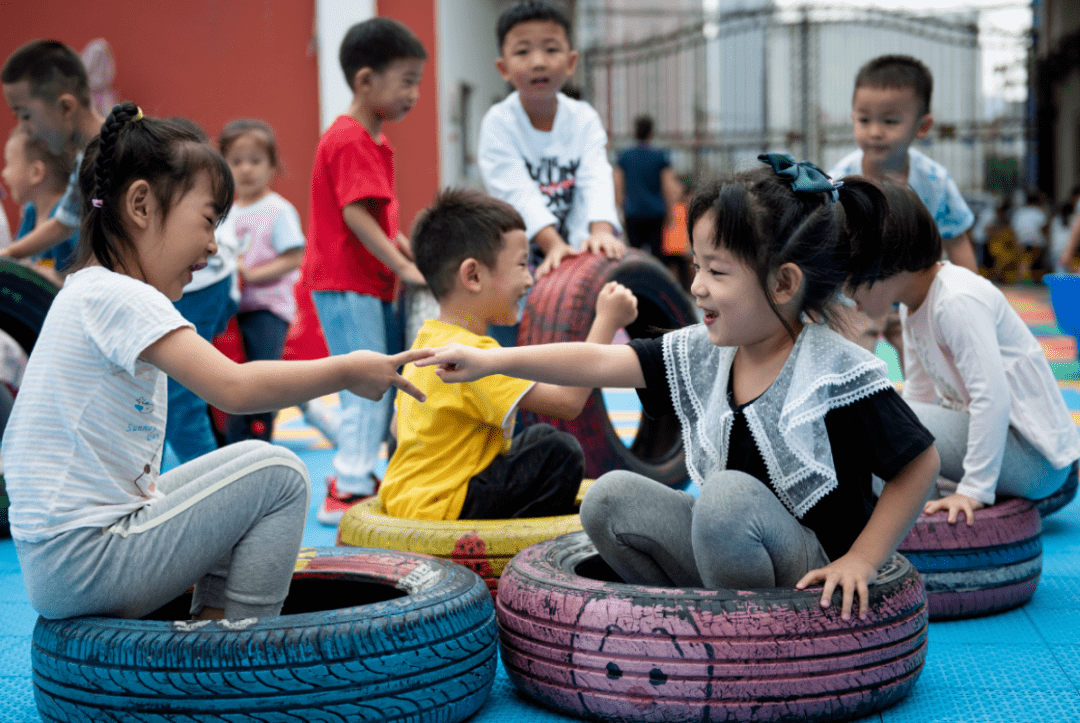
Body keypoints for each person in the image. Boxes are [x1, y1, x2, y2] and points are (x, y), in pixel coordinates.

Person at [419, 155, 940, 620]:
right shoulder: (707, 352)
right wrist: (492, 361)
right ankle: (693, 624)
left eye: (717, 271)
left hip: (810, 569)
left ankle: (746, 634)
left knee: (725, 499)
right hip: (732, 548)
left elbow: (920, 464)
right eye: (696, 265)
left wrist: (863, 559)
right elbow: (599, 360)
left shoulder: (834, 370)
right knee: (608, 498)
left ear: (784, 284)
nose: (696, 287)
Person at [0, 102, 431, 621]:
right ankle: (237, 650)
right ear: (141, 205)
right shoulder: (120, 295)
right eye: (207, 222)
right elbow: (234, 387)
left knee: (233, 476)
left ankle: (207, 631)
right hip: (88, 561)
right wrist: (346, 369)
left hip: (63, 562)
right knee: (280, 474)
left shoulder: (87, 291)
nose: (211, 247)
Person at [380, 188, 638, 521]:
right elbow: (569, 401)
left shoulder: (427, 340)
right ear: (473, 276)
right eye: (520, 265)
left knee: (536, 440)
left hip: (407, 500)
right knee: (558, 454)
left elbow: (397, 429)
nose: (529, 279)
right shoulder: (473, 355)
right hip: (443, 510)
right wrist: (607, 319)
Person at [846, 182, 1080, 525]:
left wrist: (974, 489)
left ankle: (922, 519)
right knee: (886, 411)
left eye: (851, 282)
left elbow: (993, 397)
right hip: (1009, 450)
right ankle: (918, 506)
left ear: (889, 265)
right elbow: (920, 395)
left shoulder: (955, 301)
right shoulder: (913, 308)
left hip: (1035, 461)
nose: (849, 299)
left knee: (875, 412)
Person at [303, 17, 428, 525]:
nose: (414, 94)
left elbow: (377, 216)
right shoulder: (352, 139)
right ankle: (348, 485)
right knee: (368, 382)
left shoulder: (370, 139)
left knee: (373, 380)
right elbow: (355, 216)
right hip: (348, 281)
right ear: (365, 80)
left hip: (360, 283)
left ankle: (353, 471)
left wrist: (407, 257)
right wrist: (403, 265)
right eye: (406, 81)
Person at [829, 55, 976, 354]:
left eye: (890, 120)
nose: (875, 131)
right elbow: (824, 246)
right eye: (864, 119)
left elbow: (958, 242)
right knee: (852, 369)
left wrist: (971, 296)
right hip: (855, 302)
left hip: (916, 299)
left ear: (922, 126)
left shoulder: (934, 182)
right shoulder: (838, 183)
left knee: (934, 367)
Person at [478, 0, 625, 279]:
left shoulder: (584, 118)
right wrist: (554, 245)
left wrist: (601, 232)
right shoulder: (498, 123)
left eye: (551, 49)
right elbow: (516, 192)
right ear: (503, 68)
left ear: (571, 62)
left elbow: (596, 177)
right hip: (520, 262)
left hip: (582, 254)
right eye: (522, 51)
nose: (538, 62)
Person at [216, 119, 306, 445]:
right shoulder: (225, 213)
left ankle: (261, 436)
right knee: (233, 376)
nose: (246, 170)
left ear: (272, 165)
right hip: (233, 308)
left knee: (264, 373)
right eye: (236, 161)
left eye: (255, 161)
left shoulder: (277, 210)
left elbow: (293, 257)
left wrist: (253, 274)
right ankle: (234, 439)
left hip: (267, 307)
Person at [162, 116, 242, 464]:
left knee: (182, 398)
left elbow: (236, 387)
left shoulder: (205, 261)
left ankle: (210, 482)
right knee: (176, 396)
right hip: (209, 287)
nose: (211, 244)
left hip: (205, 289)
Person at [1, 39, 104, 263]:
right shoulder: (85, 161)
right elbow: (63, 223)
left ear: (66, 107)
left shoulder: (126, 151)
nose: (25, 131)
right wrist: (7, 255)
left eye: (26, 116)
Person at [1, 126, 76, 280]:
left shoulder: (73, 215)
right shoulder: (30, 212)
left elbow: (94, 273)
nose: (3, 173)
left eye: (8, 164)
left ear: (36, 172)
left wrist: (60, 280)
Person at [614, 114, 682, 257]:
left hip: (632, 212)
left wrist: (618, 206)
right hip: (655, 212)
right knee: (657, 254)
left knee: (634, 253)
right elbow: (668, 186)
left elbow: (617, 184)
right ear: (651, 133)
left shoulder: (625, 156)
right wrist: (671, 212)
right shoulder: (659, 156)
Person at [1011, 188, 1049, 281]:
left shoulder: (1019, 212)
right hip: (1036, 243)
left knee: (1025, 260)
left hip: (1021, 243)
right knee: (1033, 262)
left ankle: (1025, 276)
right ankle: (1030, 277)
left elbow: (1013, 229)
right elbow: (1044, 229)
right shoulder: (1038, 212)